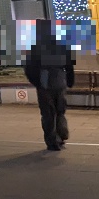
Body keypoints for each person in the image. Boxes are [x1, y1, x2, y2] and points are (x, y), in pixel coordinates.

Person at [25, 19, 75, 151]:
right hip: (60, 80)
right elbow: (69, 64)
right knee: (60, 110)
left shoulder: (35, 45)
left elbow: (29, 67)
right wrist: (70, 80)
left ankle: (52, 141)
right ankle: (62, 135)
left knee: (48, 113)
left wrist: (36, 82)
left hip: (44, 82)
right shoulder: (61, 43)